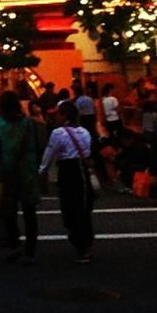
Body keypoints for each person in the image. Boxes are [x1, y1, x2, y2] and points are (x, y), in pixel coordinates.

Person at [39, 101, 95, 263]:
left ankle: (79, 243)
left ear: (64, 116)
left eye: (58, 114)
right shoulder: (85, 132)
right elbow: (87, 151)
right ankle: (86, 245)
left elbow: (50, 153)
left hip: (67, 170)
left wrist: (42, 171)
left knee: (70, 206)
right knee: (83, 208)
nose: (55, 117)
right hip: (82, 169)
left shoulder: (58, 133)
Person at [0, 91, 42, 264]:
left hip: (8, 171)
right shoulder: (29, 123)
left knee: (9, 211)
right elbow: (37, 145)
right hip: (27, 169)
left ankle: (15, 243)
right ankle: (30, 249)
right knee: (30, 212)